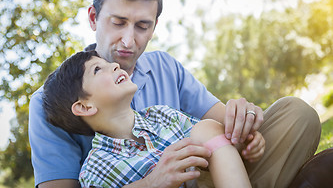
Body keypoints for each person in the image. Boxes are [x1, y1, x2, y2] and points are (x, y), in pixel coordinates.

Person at [28, 0, 321, 188]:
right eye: (118, 23)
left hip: (212, 176)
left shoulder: (166, 68)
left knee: (297, 114)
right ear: (93, 17)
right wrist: (152, 182)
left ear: (154, 26)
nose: (128, 41)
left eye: (142, 26)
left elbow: (221, 128)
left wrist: (244, 125)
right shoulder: (50, 102)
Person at [42, 50, 264, 187]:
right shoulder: (95, 168)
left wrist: (243, 141)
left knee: (288, 109)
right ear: (84, 106)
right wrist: (151, 183)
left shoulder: (163, 115)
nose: (115, 65)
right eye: (98, 69)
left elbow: (216, 145)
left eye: (110, 64)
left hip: (215, 178)